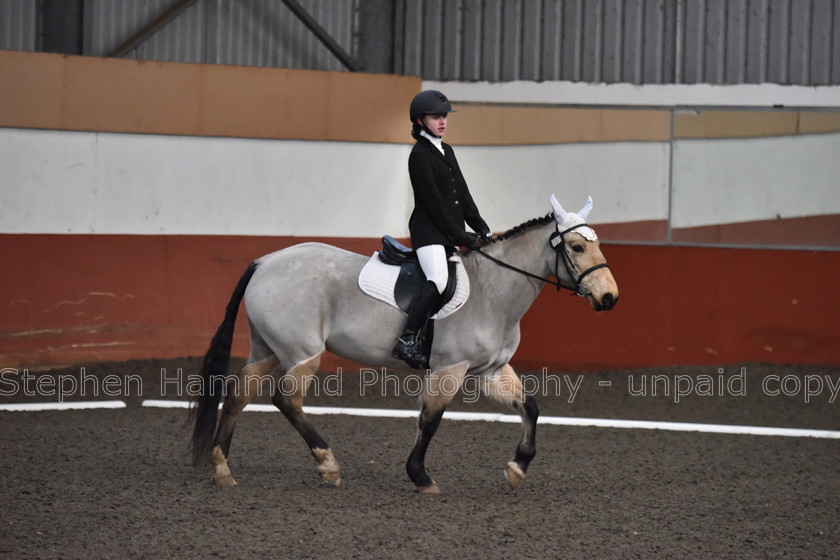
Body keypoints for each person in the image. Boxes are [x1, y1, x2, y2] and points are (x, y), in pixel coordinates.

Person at [391, 90, 493, 369]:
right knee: (437, 279)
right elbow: (434, 205)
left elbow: (463, 195)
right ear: (420, 121)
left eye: (444, 116)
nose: (443, 121)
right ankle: (407, 339)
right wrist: (460, 236)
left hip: (447, 233)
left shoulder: (446, 150)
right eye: (436, 117)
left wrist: (481, 227)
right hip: (429, 233)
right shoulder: (419, 156)